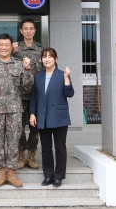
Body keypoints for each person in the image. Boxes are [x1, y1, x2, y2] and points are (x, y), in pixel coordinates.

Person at [0, 33, 33, 188]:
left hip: (14, 111)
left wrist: (28, 69)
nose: (4, 47)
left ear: (11, 47)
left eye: (7, 45)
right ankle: (0, 173)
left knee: (13, 142)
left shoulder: (19, 64)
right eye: (1, 45)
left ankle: (11, 173)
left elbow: (28, 87)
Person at [29, 47, 74, 187]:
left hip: (59, 117)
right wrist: (32, 113)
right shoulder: (38, 76)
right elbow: (34, 97)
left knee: (60, 148)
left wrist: (66, 78)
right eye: (44, 57)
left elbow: (70, 93)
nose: (47, 59)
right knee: (46, 149)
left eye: (50, 56)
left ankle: (59, 176)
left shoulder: (62, 75)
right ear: (41, 60)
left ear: (56, 59)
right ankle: (48, 176)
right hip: (43, 117)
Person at [12, 18, 44, 170]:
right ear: (21, 31)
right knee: (19, 127)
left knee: (34, 127)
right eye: (26, 28)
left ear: (35, 30)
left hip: (36, 94)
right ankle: (21, 155)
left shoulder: (41, 49)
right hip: (19, 93)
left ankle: (31, 156)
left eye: (31, 28)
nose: (29, 31)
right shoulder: (15, 49)